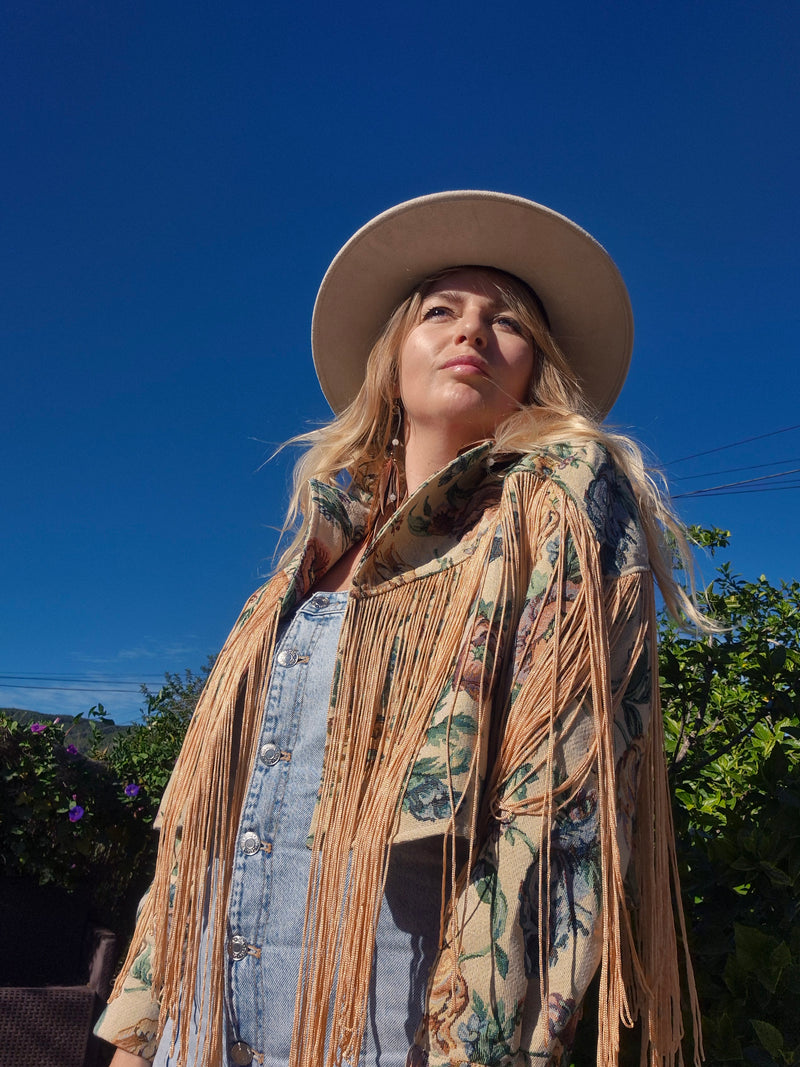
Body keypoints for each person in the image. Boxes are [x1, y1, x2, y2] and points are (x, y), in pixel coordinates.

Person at [96, 191, 706, 1067]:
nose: (473, 331)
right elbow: (204, 829)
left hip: (387, 1038)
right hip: (193, 1035)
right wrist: (137, 1034)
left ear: (537, 368)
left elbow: (558, 815)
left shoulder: (557, 511)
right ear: (391, 359)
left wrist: (482, 1051)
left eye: (508, 322)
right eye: (440, 311)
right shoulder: (296, 574)